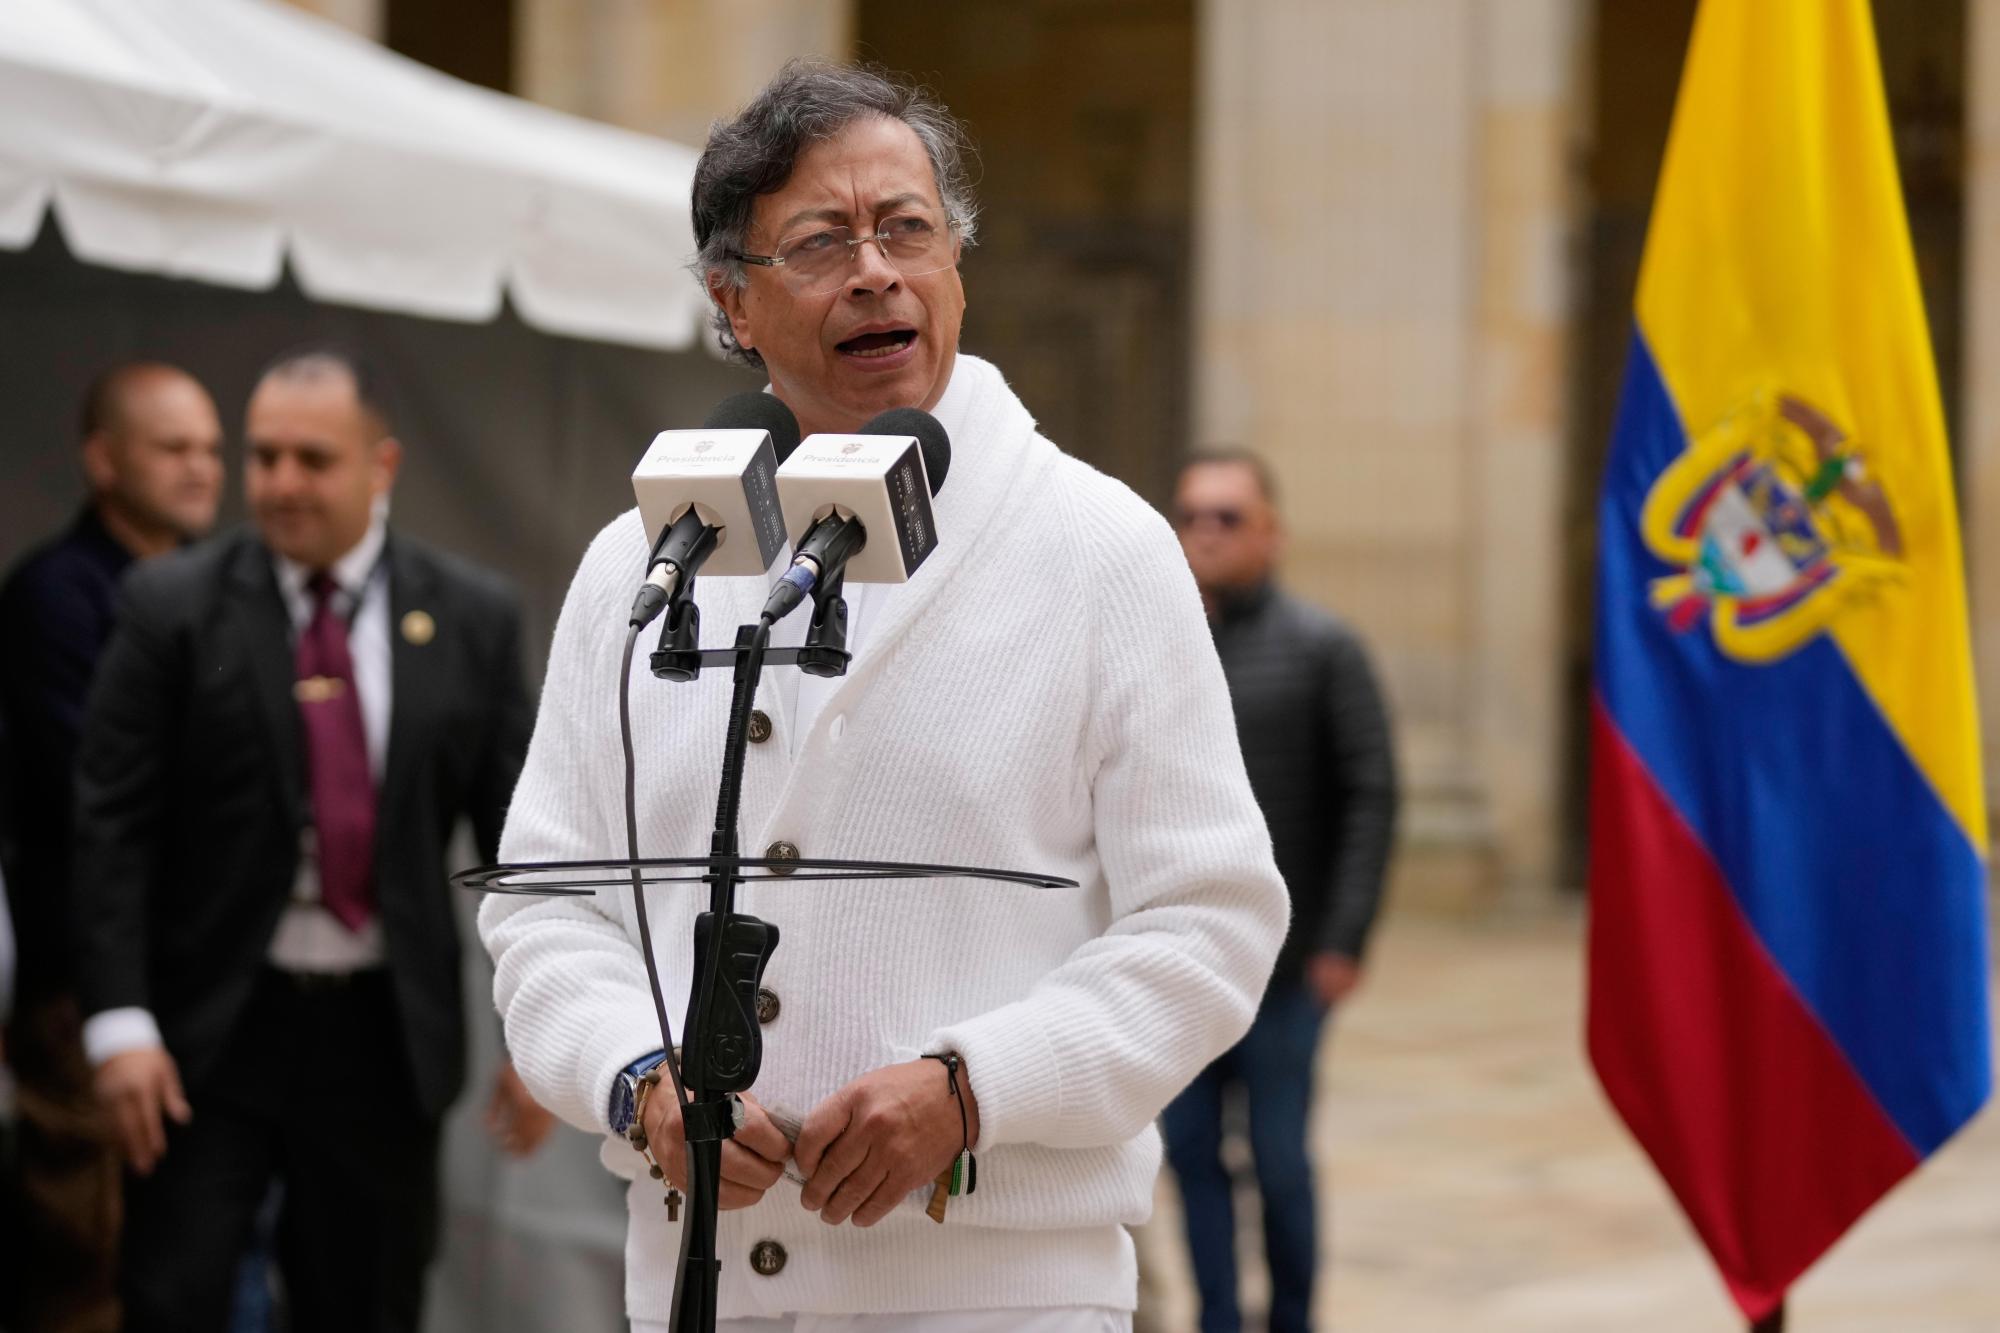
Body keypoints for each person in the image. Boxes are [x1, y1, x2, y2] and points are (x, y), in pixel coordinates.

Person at [479, 61, 1289, 1333]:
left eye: (906, 229)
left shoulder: (1100, 550)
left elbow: (1209, 924)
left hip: (1000, 1297)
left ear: (956, 269)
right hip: (698, 1287)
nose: (874, 270)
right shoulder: (636, 567)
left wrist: (974, 1089)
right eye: (819, 242)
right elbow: (548, 911)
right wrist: (636, 1076)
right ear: (730, 302)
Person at [70, 344, 539, 1333]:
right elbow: (110, 823)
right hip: (210, 1030)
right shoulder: (173, 606)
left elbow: (516, 841)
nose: (280, 484)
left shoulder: (471, 618)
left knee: (364, 1303)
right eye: (263, 455)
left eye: (312, 460)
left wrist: (536, 1032)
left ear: (383, 465)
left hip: (382, 1032)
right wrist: (117, 1021)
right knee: (174, 1295)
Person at [0, 362, 225, 1333]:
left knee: (186, 1259)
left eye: (212, 449)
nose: (199, 469)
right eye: (171, 446)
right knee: (84, 1256)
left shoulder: (207, 593)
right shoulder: (56, 595)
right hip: (83, 993)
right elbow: (109, 790)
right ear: (102, 459)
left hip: (191, 984)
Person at [1159, 450, 1398, 1333]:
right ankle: (1219, 1316)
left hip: (1290, 970)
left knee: (1280, 1158)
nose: (1206, 533)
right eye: (1192, 515)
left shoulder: (1324, 647)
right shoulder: (1164, 643)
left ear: (1273, 532)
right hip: (1180, 968)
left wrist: (1346, 938)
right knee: (1187, 1152)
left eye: (1228, 517)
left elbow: (1371, 792)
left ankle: (1293, 1317)